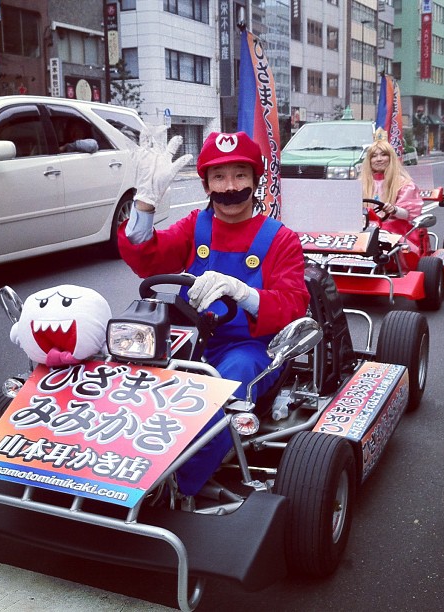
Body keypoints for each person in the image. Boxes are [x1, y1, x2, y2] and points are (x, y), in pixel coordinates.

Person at [118, 128, 310, 496]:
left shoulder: (279, 237)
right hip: (191, 339)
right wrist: (143, 204)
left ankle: (172, 486)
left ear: (255, 180)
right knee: (127, 361)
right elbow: (147, 259)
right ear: (206, 185)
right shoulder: (196, 225)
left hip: (253, 347)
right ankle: (110, 462)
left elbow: (292, 305)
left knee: (222, 388)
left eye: (240, 175)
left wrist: (243, 292)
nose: (230, 186)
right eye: (218, 176)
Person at [361, 140, 424, 247]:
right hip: (365, 228)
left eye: (383, 155)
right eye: (374, 156)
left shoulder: (404, 183)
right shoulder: (361, 183)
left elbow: (408, 214)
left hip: (395, 229)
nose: (379, 159)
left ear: (391, 158)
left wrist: (394, 210)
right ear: (369, 160)